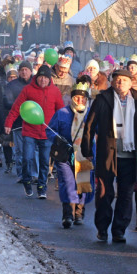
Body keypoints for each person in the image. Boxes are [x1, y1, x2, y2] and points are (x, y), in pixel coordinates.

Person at [81, 68, 137, 243]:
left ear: (131, 83)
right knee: (104, 192)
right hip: (107, 154)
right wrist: (87, 150)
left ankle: (119, 230)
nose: (120, 82)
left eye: (124, 80)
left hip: (131, 156)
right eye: (117, 79)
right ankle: (102, 228)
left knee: (125, 194)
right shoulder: (103, 99)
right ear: (112, 81)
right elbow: (90, 125)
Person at [4, 64, 64, 199]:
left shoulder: (55, 91)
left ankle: (42, 187)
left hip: (47, 133)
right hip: (30, 131)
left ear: (49, 79)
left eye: (45, 78)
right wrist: (9, 123)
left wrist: (63, 129)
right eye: (40, 77)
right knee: (27, 158)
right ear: (36, 77)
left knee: (44, 162)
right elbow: (16, 108)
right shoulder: (28, 90)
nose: (43, 80)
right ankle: (27, 180)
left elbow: (60, 112)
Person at [48, 81, 94, 228]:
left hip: (85, 154)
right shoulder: (62, 113)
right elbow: (49, 130)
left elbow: (101, 132)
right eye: (77, 98)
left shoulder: (91, 115)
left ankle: (79, 213)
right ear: (72, 98)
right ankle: (67, 214)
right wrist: (57, 138)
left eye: (83, 98)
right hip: (65, 155)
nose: (80, 101)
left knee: (83, 183)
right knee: (67, 184)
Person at [5, 62, 33, 178]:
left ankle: (31, 173)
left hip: (33, 123)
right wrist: (21, 107)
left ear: (31, 71)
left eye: (26, 69)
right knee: (19, 151)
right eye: (22, 69)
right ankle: (21, 174)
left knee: (32, 151)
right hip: (18, 122)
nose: (24, 72)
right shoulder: (12, 85)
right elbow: (6, 101)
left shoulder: (36, 83)